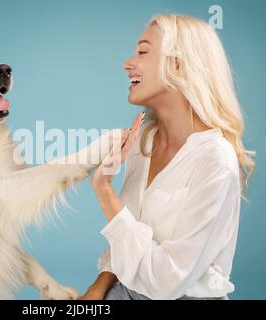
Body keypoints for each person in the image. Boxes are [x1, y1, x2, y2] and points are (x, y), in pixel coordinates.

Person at [81, 14, 255, 300]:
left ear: (178, 64)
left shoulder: (215, 160)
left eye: (143, 51)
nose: (127, 63)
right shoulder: (143, 142)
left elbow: (167, 282)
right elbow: (129, 239)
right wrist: (96, 291)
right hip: (123, 290)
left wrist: (103, 189)